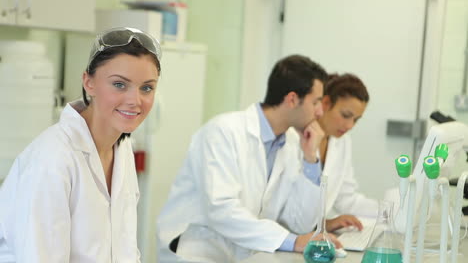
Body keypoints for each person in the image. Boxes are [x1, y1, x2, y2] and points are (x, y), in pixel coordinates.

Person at [157, 55, 355, 263]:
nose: (320, 112)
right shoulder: (223, 132)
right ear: (292, 99)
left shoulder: (290, 142)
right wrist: (293, 241)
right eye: (316, 102)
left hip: (247, 253)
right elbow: (221, 210)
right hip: (199, 250)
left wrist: (310, 159)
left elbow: (299, 223)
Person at [0, 27, 161, 262]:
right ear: (89, 82)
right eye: (119, 84)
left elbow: (124, 245)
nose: (135, 101)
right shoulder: (52, 159)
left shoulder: (122, 148)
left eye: (146, 87)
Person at [318, 73, 378, 224]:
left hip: (312, 234)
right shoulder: (294, 137)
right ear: (326, 103)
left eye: (356, 120)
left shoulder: (341, 140)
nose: (350, 126)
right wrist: (325, 224)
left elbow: (346, 199)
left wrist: (390, 211)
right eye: (345, 115)